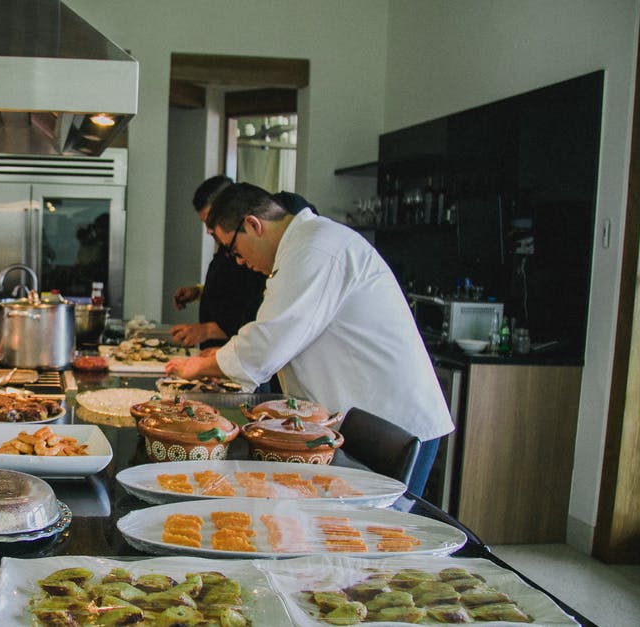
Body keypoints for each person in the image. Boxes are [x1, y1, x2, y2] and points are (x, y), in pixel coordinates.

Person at [165, 183, 452, 495]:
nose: (237, 261)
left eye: (233, 249)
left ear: (253, 225)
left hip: (391, 427)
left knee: (379, 533)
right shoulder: (303, 247)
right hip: (364, 419)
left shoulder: (315, 248)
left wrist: (197, 367)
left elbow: (267, 343)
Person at [170, 176, 268, 349]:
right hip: (216, 354)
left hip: (236, 354)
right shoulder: (226, 246)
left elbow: (253, 311)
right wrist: (200, 291)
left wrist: (207, 330)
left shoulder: (253, 252)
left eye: (211, 221)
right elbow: (233, 290)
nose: (209, 230)